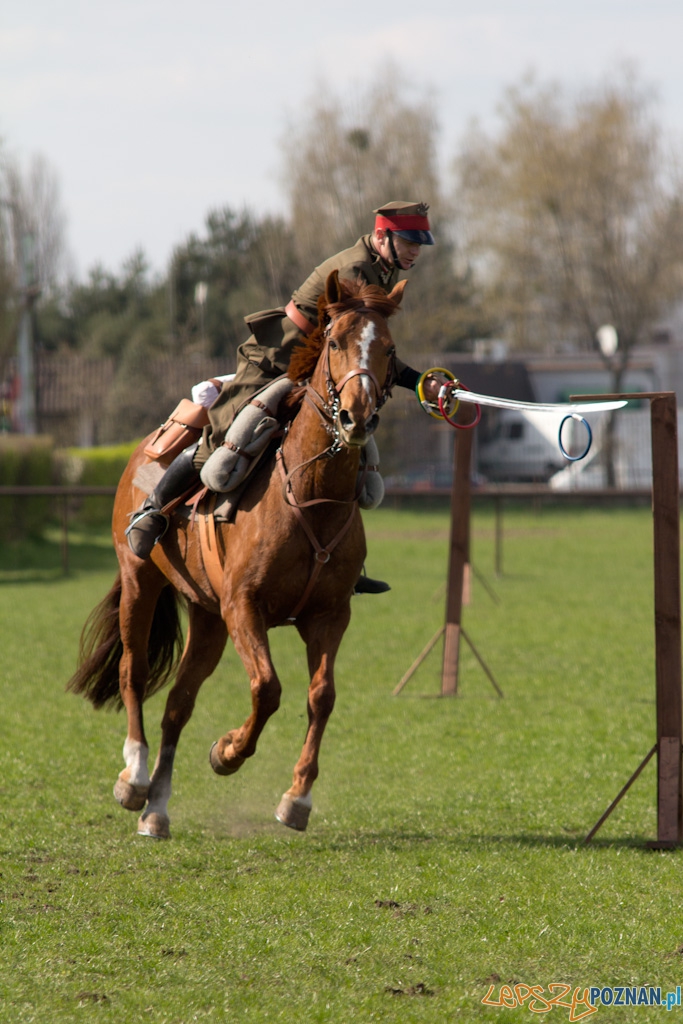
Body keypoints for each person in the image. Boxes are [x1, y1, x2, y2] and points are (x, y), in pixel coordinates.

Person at [127, 201, 446, 592]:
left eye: (419, 244)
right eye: (409, 242)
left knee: (344, 442)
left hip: (317, 363)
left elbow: (365, 354)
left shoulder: (384, 268)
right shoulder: (355, 272)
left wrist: (423, 385)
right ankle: (152, 511)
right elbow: (352, 350)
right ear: (382, 236)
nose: (416, 251)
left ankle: (340, 561)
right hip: (277, 357)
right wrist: (417, 383)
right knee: (222, 435)